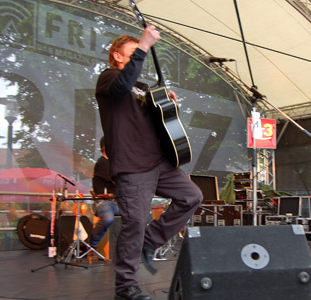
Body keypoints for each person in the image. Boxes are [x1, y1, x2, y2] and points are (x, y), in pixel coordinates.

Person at [95, 26, 203, 300]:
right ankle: (125, 287)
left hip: (160, 162)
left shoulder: (142, 88)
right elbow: (122, 86)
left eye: (138, 51)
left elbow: (158, 121)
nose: (137, 57)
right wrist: (144, 45)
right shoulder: (108, 78)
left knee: (191, 196)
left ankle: (149, 242)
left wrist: (169, 103)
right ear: (118, 56)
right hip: (132, 166)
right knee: (134, 222)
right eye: (132, 53)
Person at [88, 136, 119, 255]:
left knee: (137, 215)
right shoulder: (102, 163)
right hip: (102, 203)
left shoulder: (113, 163)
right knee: (107, 218)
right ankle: (92, 244)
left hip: (116, 203)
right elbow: (119, 180)